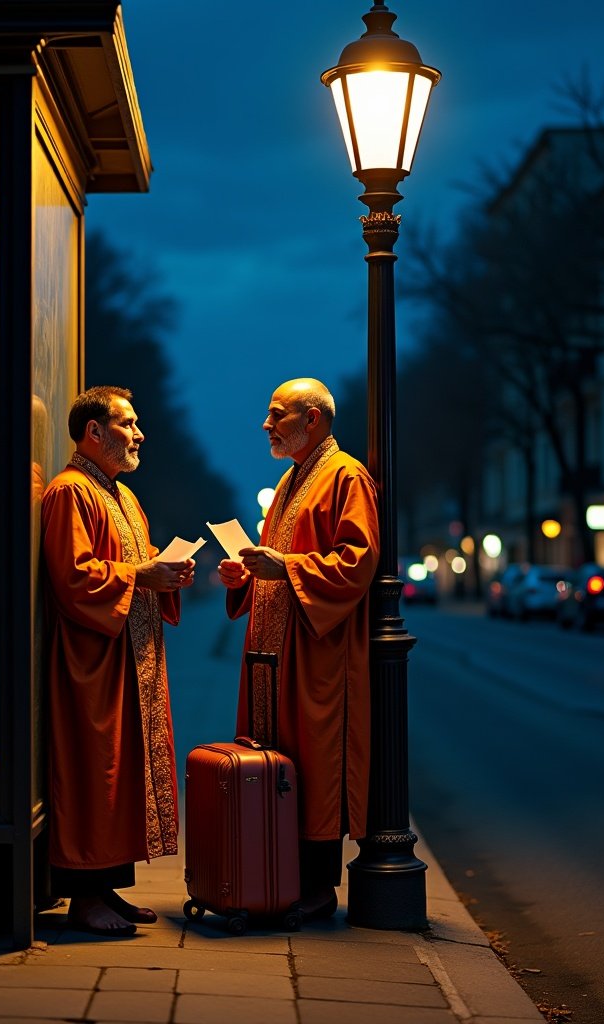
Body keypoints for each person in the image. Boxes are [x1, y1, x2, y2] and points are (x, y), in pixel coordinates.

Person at [217, 378, 379, 921]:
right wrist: (243, 574)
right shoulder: (292, 481)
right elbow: (277, 557)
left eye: (277, 414)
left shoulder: (345, 476)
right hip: (273, 651)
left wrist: (283, 567)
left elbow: (358, 560)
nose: (267, 424)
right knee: (277, 755)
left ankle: (317, 887)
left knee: (314, 759)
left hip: (315, 652)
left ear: (313, 420)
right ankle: (278, 874)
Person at [40, 385, 195, 936]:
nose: (139, 433)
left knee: (121, 770)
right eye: (128, 423)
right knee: (95, 771)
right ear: (94, 433)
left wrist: (164, 574)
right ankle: (84, 896)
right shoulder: (69, 492)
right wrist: (141, 576)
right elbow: (73, 577)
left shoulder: (121, 495)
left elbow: (131, 564)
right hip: (93, 661)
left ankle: (106, 886)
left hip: (131, 657)